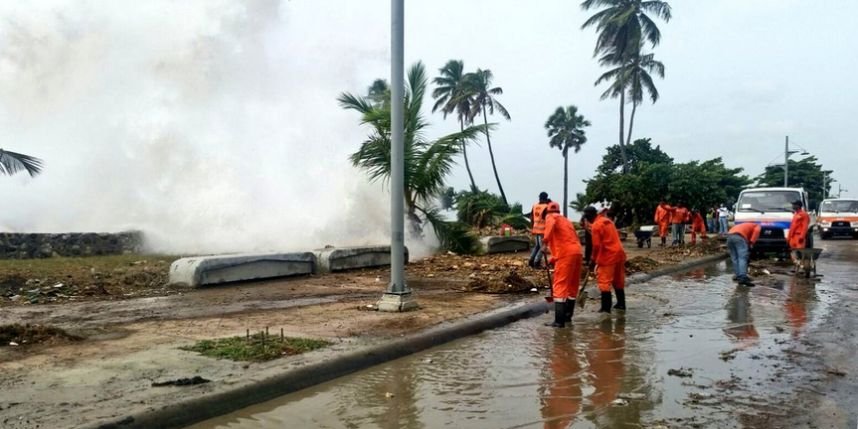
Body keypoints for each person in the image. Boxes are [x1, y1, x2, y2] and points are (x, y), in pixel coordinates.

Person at [542, 202, 583, 327]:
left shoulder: (551, 217)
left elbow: (550, 223)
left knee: (559, 286)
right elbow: (567, 242)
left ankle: (559, 322)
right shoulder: (566, 221)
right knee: (572, 286)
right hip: (577, 253)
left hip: (566, 255)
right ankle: (567, 317)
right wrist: (551, 261)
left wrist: (544, 242)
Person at [583, 206, 627, 313]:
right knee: (618, 280)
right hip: (619, 254)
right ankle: (621, 304)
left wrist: (592, 261)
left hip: (608, 256)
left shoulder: (596, 226)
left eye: (586, 216)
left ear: (589, 216)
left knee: (604, 282)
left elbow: (596, 246)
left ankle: (606, 309)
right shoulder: (608, 221)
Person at [528, 192, 551, 268]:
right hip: (543, 230)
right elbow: (548, 218)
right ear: (546, 198)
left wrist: (532, 228)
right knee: (542, 247)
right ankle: (537, 262)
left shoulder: (535, 206)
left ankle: (531, 261)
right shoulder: (546, 207)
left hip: (535, 228)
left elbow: (531, 217)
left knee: (537, 246)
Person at [787, 200, 810, 269]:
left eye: (794, 204)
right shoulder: (795, 214)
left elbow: (805, 226)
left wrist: (802, 236)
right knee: (793, 252)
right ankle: (798, 265)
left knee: (800, 252)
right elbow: (792, 227)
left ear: (798, 206)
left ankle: (803, 266)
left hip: (799, 236)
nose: (792, 206)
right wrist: (788, 238)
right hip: (793, 237)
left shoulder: (804, 215)